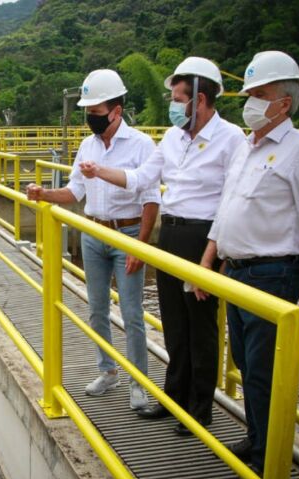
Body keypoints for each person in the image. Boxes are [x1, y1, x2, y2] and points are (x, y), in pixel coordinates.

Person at [195, 51, 299, 479]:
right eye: (249, 95)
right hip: (237, 273)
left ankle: (265, 467)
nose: (250, 103)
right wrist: (207, 264)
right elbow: (227, 211)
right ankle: (257, 439)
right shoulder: (248, 146)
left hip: (273, 275)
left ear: (285, 102)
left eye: (259, 95)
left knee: (262, 373)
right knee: (242, 360)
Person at [77, 57, 246, 435]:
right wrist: (99, 171)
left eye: (177, 97)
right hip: (170, 236)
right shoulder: (173, 138)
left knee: (200, 326)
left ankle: (199, 409)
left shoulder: (231, 138)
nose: (172, 103)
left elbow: (231, 202)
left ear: (200, 98)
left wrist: (209, 260)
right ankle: (173, 401)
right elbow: (140, 179)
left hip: (204, 237)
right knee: (174, 324)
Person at [26, 69, 160, 410]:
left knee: (131, 313)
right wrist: (44, 194)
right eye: (88, 113)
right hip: (93, 232)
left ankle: (138, 383)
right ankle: (108, 371)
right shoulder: (88, 145)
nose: (91, 119)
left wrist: (141, 246)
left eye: (96, 113)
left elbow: (150, 199)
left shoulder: (142, 144)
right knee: (97, 309)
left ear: (116, 111)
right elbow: (74, 191)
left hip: (127, 234)